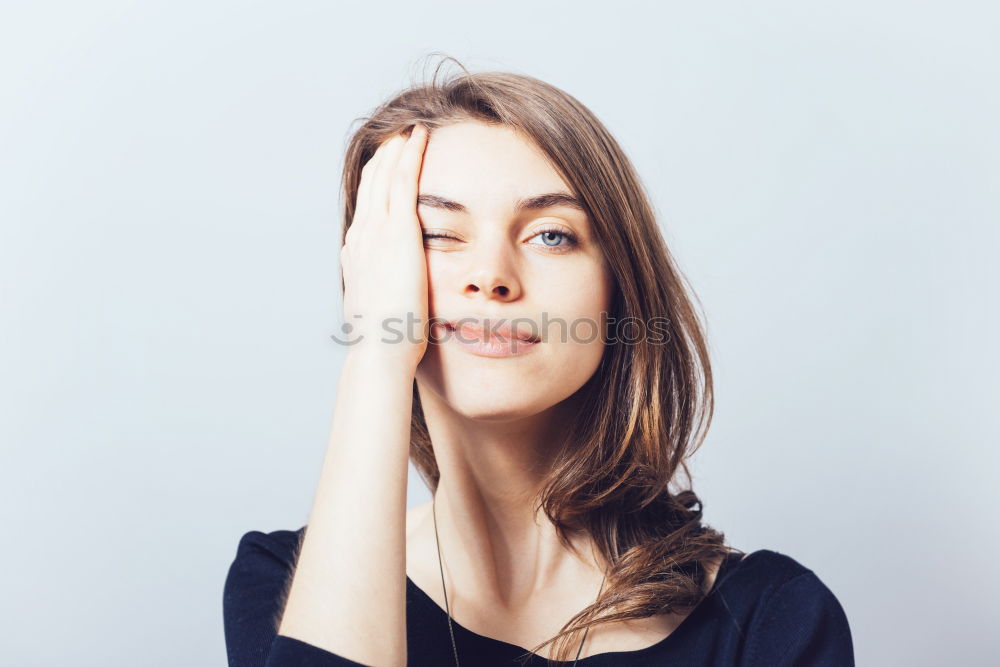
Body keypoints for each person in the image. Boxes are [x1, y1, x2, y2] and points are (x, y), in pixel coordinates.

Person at [223, 57, 855, 667]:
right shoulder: (285, 586)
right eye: (436, 234)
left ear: (620, 293)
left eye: (551, 235)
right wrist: (376, 353)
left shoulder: (772, 621)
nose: (491, 277)